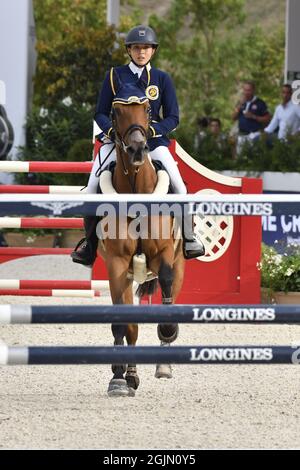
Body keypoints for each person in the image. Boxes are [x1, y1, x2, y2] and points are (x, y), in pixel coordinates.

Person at [71, 25, 205, 266]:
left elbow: (173, 117)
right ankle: (89, 244)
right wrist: (113, 133)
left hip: (153, 144)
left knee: (181, 189)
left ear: (153, 51)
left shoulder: (162, 79)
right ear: (129, 51)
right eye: (136, 48)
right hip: (118, 145)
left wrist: (152, 131)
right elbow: (100, 112)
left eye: (145, 48)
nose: (141, 52)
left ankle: (189, 238)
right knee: (91, 189)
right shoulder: (115, 76)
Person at [232, 81, 271, 155]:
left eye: (249, 90)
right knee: (240, 157)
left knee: (254, 156)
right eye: (245, 90)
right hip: (242, 134)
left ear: (253, 90)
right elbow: (233, 118)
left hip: (254, 135)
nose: (246, 92)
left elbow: (267, 118)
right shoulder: (240, 102)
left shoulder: (260, 103)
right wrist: (239, 106)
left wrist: (253, 116)